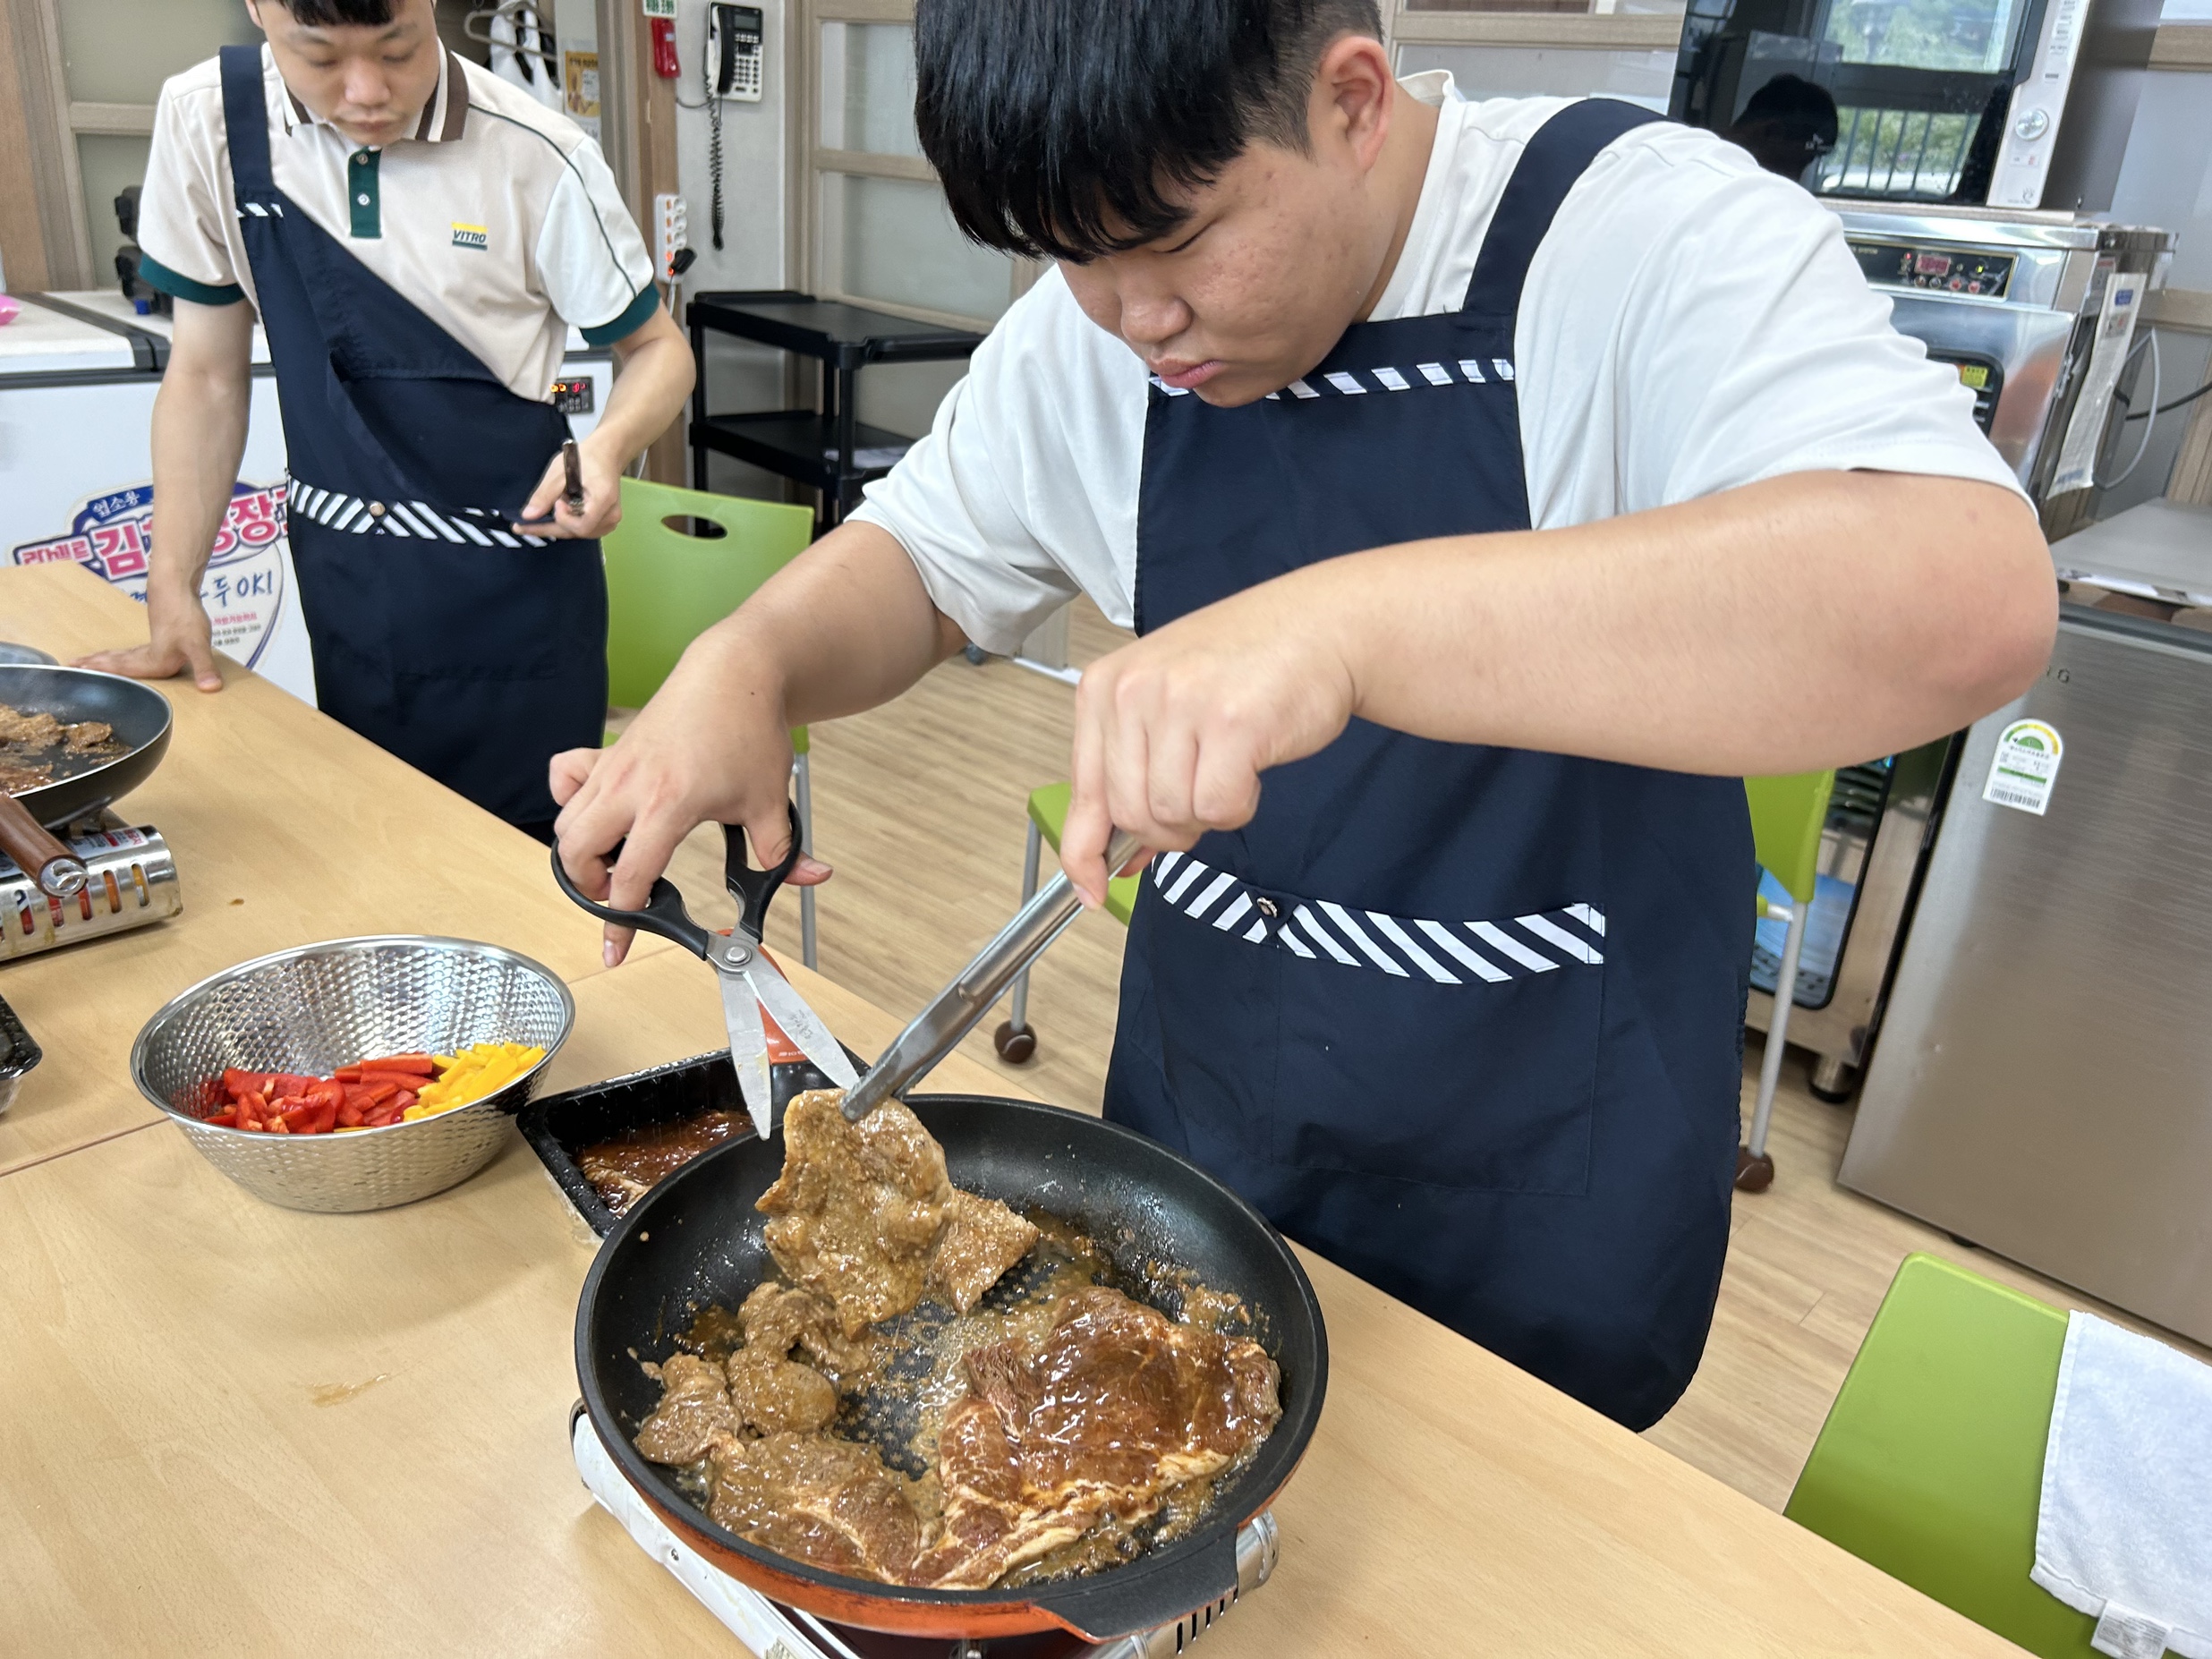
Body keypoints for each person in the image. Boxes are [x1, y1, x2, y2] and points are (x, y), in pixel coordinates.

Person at [552, 1, 2054, 1427]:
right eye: (1069, 258)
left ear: (1350, 101)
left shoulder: (1639, 237)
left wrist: (1338, 630)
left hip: (1536, 1184)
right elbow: (927, 559)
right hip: (1206, 1144)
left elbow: (1965, 596)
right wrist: (749, 660)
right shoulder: (1102, 325)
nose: (1135, 318)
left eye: (1176, 238)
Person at [79, 0, 694, 838]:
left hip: (517, 592)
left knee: (534, 860)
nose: (367, 91)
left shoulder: (536, 152)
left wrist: (608, 448)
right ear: (260, 9)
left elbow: (658, 350)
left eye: (398, 49)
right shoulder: (209, 120)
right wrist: (172, 586)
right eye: (321, 58)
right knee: (371, 844)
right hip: (352, 582)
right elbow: (206, 376)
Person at [1723, 72, 1841, 183]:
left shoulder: (1729, 176)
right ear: (1772, 133)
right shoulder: (1741, 187)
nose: (1795, 179)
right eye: (1799, 163)